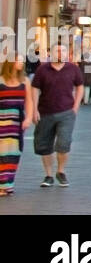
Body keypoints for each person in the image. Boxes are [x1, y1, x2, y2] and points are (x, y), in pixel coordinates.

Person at [31, 42, 84, 186]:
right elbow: (35, 88)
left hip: (66, 112)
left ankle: (61, 171)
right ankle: (48, 175)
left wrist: (76, 106)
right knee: (44, 144)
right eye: (57, 51)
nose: (60, 54)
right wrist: (34, 109)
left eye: (63, 51)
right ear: (51, 53)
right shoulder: (43, 70)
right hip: (45, 112)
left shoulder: (73, 69)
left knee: (63, 143)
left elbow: (80, 86)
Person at [0, 60, 34, 196]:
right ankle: (3, 185)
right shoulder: (1, 81)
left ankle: (8, 185)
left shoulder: (25, 81)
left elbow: (29, 101)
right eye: (18, 60)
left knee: (13, 154)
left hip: (16, 123)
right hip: (2, 122)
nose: (21, 62)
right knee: (2, 154)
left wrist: (29, 118)